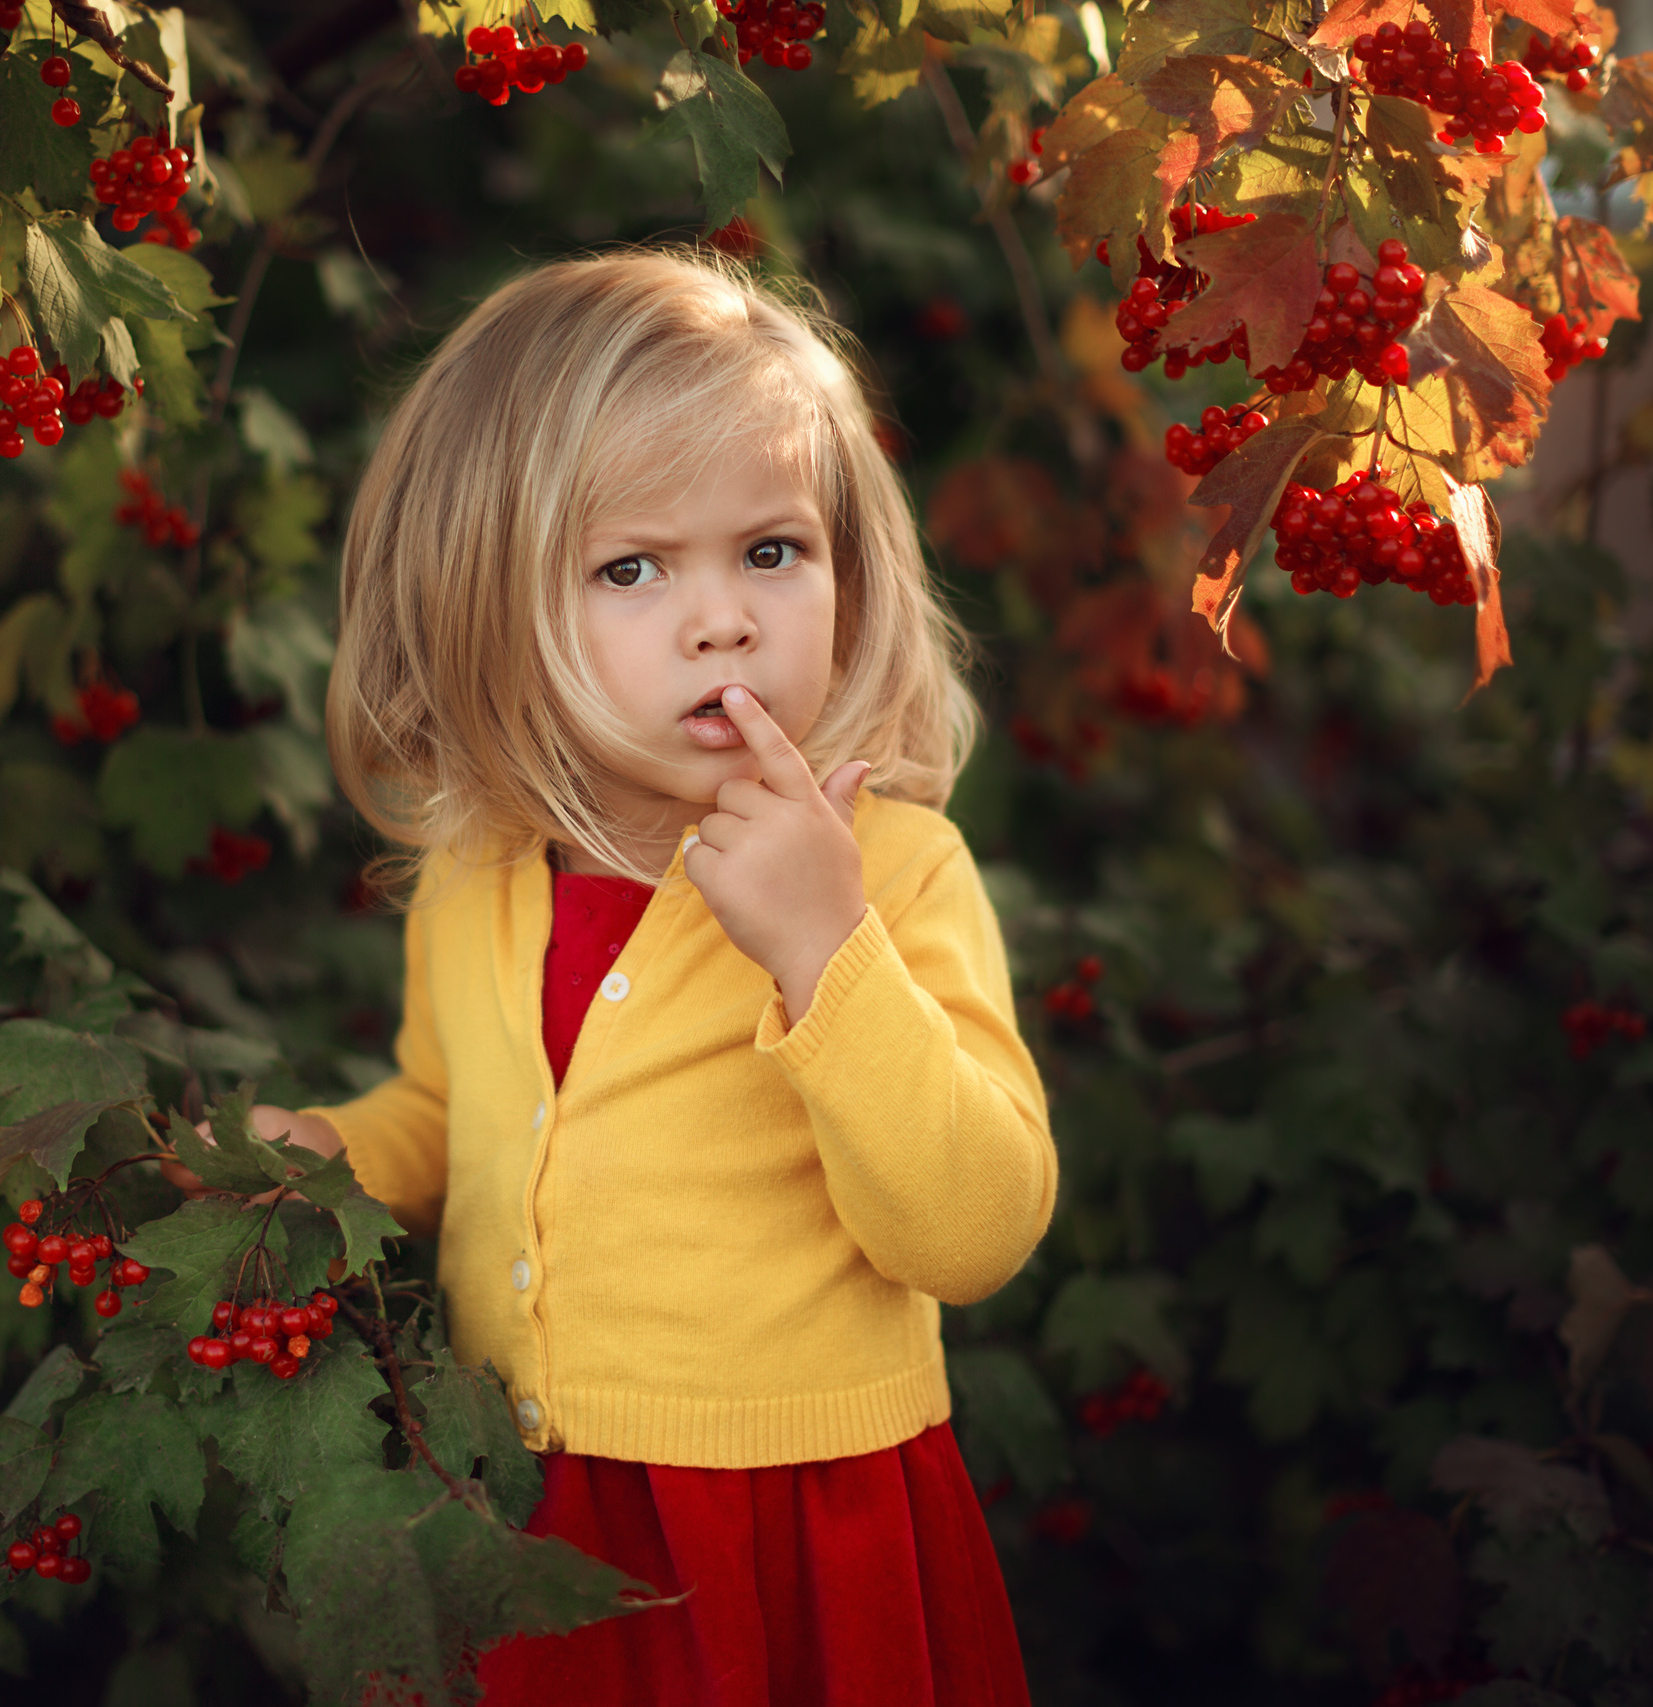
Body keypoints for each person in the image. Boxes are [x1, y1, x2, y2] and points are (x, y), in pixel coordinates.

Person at [184, 248, 1054, 1705]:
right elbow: (458, 1109)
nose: (721, 621)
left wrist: (822, 951)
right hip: (531, 1514)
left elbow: (970, 1230)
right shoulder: (481, 875)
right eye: (632, 568)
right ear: (491, 604)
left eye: (772, 551)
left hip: (787, 1533)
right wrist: (335, 1156)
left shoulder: (887, 873)